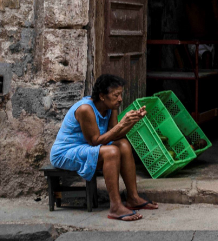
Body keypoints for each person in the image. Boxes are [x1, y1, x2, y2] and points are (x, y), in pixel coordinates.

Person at [50, 74, 158, 221]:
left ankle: (133, 198)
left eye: (120, 94)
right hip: (65, 153)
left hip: (88, 147)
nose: (120, 99)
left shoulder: (110, 107)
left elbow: (115, 135)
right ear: (102, 96)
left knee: (124, 145)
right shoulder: (85, 109)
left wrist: (132, 121)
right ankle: (115, 206)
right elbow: (95, 141)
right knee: (112, 151)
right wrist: (122, 124)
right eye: (116, 95)